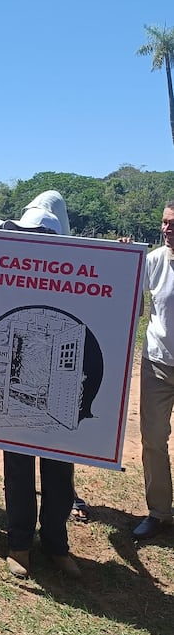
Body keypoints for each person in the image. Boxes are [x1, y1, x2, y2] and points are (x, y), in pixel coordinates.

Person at [0, 206, 80, 578]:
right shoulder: (10, 271)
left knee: (59, 471)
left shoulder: (77, 276)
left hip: (60, 395)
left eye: (37, 234)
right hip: (21, 393)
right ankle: (18, 544)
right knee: (17, 468)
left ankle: (55, 544)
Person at [133, 200, 174, 541]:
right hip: (158, 363)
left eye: (173, 223)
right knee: (153, 440)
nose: (167, 229)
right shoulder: (155, 261)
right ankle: (159, 512)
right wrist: (122, 260)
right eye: (164, 222)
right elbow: (132, 299)